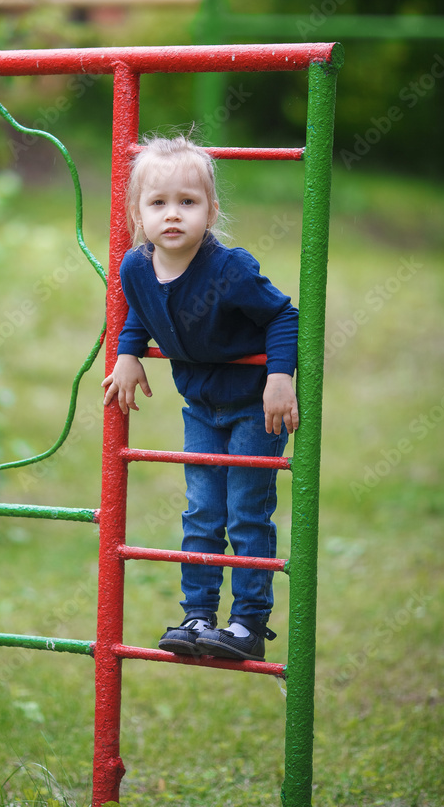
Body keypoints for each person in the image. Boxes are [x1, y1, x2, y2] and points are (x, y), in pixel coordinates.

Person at [101, 133, 299, 661]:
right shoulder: (135, 267)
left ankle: (247, 624)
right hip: (201, 407)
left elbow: (283, 315)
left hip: (255, 406)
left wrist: (280, 376)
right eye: (158, 203)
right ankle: (198, 616)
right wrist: (128, 351)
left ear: (210, 212)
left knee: (246, 512)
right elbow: (142, 308)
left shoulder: (229, 269)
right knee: (201, 513)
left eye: (187, 202)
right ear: (136, 214)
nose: (172, 215)